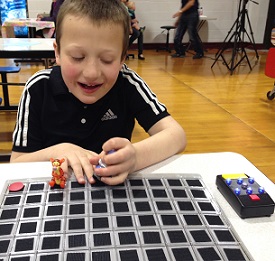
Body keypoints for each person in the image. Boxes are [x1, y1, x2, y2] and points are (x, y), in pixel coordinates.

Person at [10, 0, 186, 186]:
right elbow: (17, 161)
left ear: (122, 59)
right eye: (78, 57)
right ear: (58, 53)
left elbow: (176, 135)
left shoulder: (127, 83)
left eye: (107, 59)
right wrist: (58, 151)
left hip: (113, 192)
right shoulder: (38, 88)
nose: (91, 73)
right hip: (56, 191)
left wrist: (135, 157)